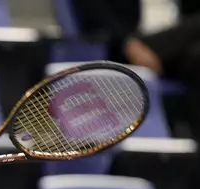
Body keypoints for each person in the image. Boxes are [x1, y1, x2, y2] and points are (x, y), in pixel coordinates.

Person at [72, 0, 200, 137]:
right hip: (126, 47)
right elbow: (94, 14)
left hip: (172, 48)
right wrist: (126, 43)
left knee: (197, 55)